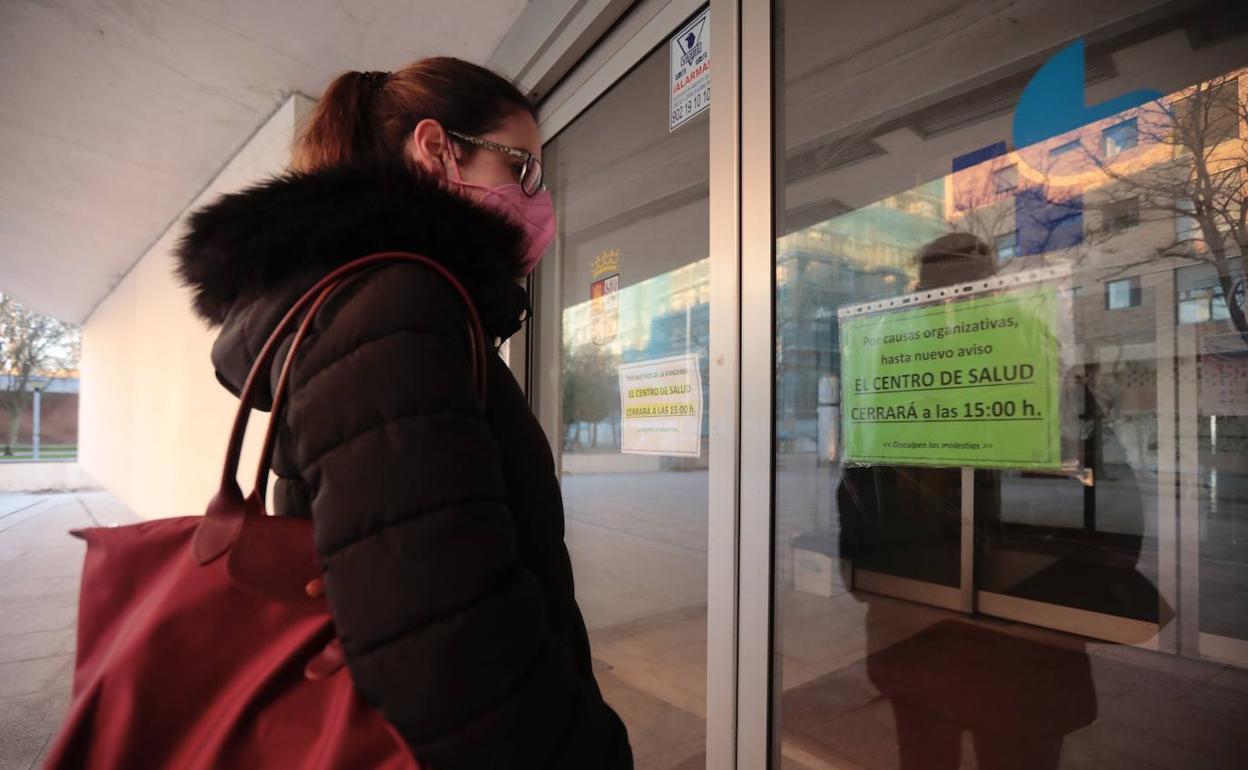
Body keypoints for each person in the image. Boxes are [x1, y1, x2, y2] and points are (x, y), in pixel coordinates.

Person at [173, 57, 633, 769]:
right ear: (436, 148)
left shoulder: (382, 306)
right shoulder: (395, 307)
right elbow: (446, 652)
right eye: (524, 170)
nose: (538, 200)